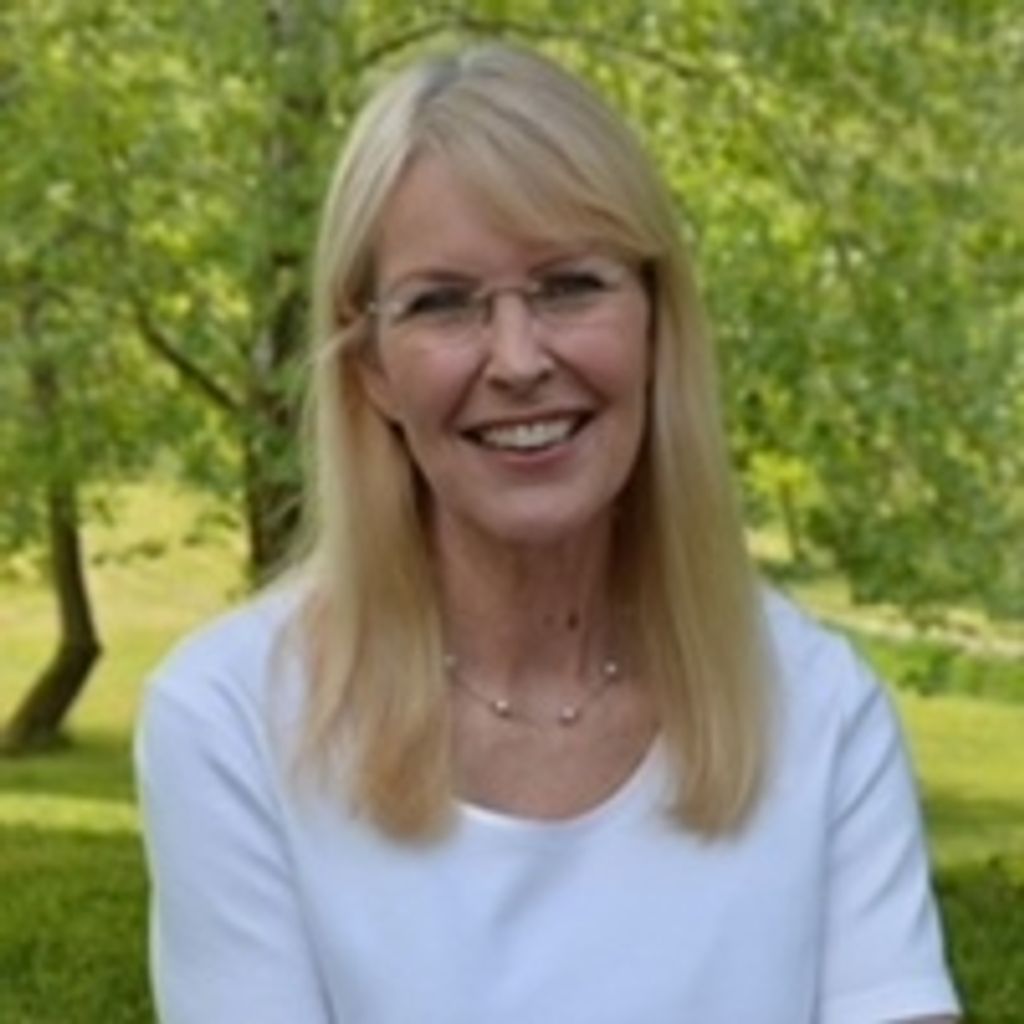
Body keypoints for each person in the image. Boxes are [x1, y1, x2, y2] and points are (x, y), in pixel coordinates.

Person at [135, 43, 961, 1023]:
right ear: (372, 367)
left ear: (655, 322)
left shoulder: (820, 710)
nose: (518, 360)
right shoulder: (229, 721)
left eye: (569, 286)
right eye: (443, 303)